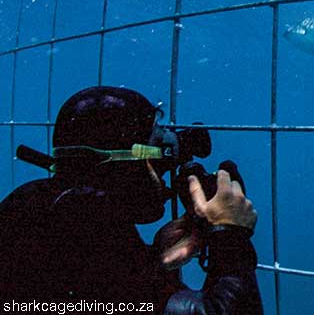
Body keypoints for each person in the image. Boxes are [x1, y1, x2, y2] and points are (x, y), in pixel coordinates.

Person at [0, 86, 262, 314]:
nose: (164, 173)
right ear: (125, 164)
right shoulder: (92, 229)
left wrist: (150, 262)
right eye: (159, 156)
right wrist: (230, 238)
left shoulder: (33, 202)